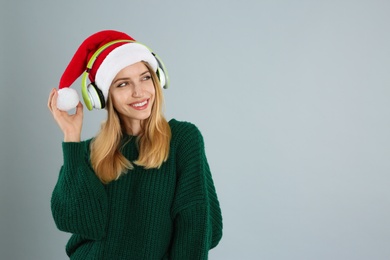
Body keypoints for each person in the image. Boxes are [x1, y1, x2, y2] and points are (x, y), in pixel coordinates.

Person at [47, 30, 223, 259]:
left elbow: (197, 225)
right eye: (122, 84)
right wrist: (71, 137)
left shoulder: (183, 139)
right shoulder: (89, 153)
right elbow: (79, 222)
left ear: (157, 78)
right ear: (103, 95)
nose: (139, 92)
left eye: (145, 77)